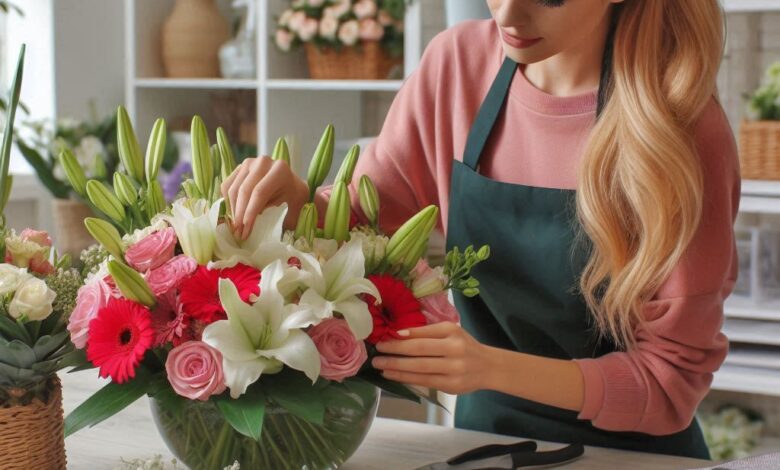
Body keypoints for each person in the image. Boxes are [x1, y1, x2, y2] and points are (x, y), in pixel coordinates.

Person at [222, 0, 739, 459]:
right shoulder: (458, 67)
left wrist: (489, 369)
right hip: (482, 447)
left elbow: (669, 385)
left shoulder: (680, 129)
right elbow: (363, 221)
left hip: (636, 458)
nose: (508, 15)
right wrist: (297, 201)